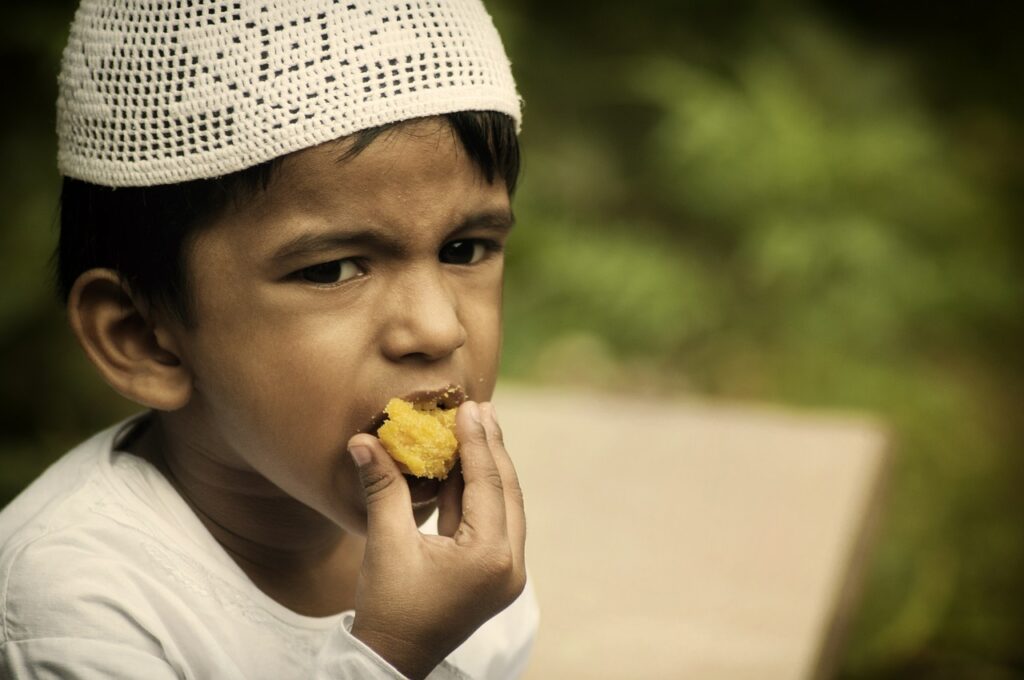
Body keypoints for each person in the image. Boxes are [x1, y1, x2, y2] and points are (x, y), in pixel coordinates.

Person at [0, 1, 538, 678]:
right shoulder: (72, 614)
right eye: (332, 269)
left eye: (464, 248)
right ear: (144, 338)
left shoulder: (464, 553)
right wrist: (392, 655)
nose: (439, 328)